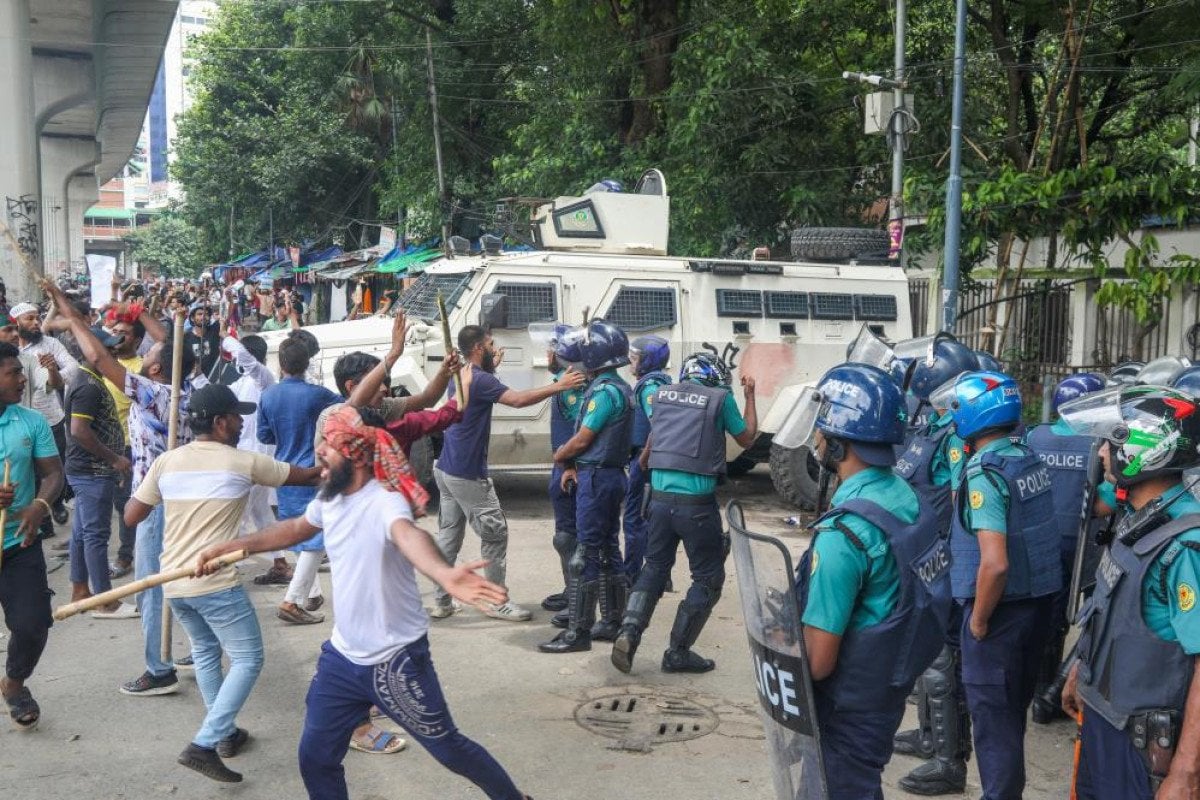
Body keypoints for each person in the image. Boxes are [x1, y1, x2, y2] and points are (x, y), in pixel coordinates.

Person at [194, 405, 533, 800]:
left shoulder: (383, 501)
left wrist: (443, 574)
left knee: (449, 748)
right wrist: (234, 545)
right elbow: (294, 529)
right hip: (342, 659)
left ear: (354, 453)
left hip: (396, 660)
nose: (319, 452)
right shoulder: (330, 498)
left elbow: (409, 536)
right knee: (315, 757)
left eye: (328, 446)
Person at [125, 383, 320, 783]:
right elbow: (305, 477)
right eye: (236, 415)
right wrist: (335, 464)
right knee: (249, 658)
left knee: (206, 652)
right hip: (214, 582)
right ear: (219, 422)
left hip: (175, 582)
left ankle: (225, 733)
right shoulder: (242, 463)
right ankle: (205, 742)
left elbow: (131, 515)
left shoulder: (167, 462)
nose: (242, 421)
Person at [792, 363, 951, 800]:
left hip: (848, 704)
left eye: (823, 430)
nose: (817, 439)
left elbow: (819, 662)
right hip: (888, 686)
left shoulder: (843, 536)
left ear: (840, 444)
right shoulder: (906, 497)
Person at [42, 280, 201, 697]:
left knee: (150, 587)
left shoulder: (153, 395)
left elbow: (95, 353)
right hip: (188, 503)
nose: (144, 351)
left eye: (148, 353)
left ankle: (159, 669)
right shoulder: (191, 394)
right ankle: (199, 651)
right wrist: (63, 303)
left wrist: (74, 318)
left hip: (157, 503)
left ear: (154, 368)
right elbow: (169, 341)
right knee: (188, 578)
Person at [1060, 385, 1200, 800]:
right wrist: (1081, 672)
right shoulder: (1138, 519)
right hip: (1107, 718)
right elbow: (1113, 608)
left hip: (1144, 745)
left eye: (1111, 441)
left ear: (1147, 449)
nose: (1102, 452)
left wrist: (1186, 774)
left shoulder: (1185, 547)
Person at [935, 370, 1062, 800]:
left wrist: (979, 622)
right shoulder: (1027, 457)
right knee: (1010, 714)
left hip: (1000, 614)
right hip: (1037, 608)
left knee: (994, 724)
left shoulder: (985, 473)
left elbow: (995, 563)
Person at [610, 350, 756, 673]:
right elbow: (747, 438)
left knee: (654, 568)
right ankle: (677, 651)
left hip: (659, 503)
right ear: (715, 376)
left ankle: (629, 633)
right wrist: (749, 396)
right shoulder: (720, 399)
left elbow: (646, 457)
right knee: (708, 577)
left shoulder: (661, 395)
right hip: (697, 508)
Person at [430, 324, 584, 622]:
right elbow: (517, 400)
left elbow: (483, 390)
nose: (494, 348)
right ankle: (498, 601)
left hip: (445, 468)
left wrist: (493, 368)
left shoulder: (460, 373)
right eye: (490, 344)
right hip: (467, 472)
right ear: (477, 349)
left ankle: (442, 601)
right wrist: (559, 385)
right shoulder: (481, 379)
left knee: (449, 537)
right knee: (495, 536)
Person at [890, 341, 978, 795]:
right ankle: (928, 735)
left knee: (943, 661)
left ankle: (949, 761)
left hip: (941, 558)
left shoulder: (956, 437)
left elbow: (963, 504)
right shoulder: (932, 425)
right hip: (920, 554)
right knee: (925, 654)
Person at [540, 321, 634, 653]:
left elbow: (583, 439)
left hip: (596, 478)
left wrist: (561, 456)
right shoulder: (620, 388)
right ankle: (611, 620)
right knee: (608, 549)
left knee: (585, 555)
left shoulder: (604, 393)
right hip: (607, 476)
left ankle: (577, 633)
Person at [1024, 372, 1107, 725]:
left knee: (1045, 612)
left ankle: (1040, 688)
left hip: (1040, 540)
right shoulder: (1099, 444)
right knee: (1085, 616)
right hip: (1084, 543)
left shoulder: (1036, 435)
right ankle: (1053, 694)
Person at [0, 341, 66, 731]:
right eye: (13, 373)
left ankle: (14, 684)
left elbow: (54, 474)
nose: (22, 379)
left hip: (18, 542)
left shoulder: (31, 421)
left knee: (33, 624)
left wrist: (39, 506)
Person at [257, 336, 341, 625]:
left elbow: (264, 436)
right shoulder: (319, 394)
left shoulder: (268, 396)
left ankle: (311, 593)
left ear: (281, 365)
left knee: (301, 534)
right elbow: (347, 408)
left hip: (285, 471)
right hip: (314, 471)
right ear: (307, 364)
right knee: (316, 538)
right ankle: (292, 600)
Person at [64, 325, 135, 618]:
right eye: (108, 350)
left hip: (88, 469)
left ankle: (81, 590)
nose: (114, 355)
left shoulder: (91, 380)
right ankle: (106, 601)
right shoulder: (89, 387)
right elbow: (79, 431)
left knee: (82, 533)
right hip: (92, 471)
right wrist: (114, 458)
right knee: (95, 534)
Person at [12, 301, 76, 531]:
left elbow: (73, 368)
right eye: (29, 319)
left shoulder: (50, 344)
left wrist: (53, 373)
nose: (36, 323)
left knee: (54, 466)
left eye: (38, 318)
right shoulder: (10, 351)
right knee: (30, 470)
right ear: (16, 323)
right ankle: (43, 520)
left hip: (50, 418)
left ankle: (57, 503)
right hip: (17, 421)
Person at [542, 325, 587, 616]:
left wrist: (569, 464)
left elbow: (579, 431)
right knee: (565, 535)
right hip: (563, 464)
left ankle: (578, 599)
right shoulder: (565, 380)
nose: (547, 353)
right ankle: (572, 590)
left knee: (570, 536)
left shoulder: (572, 386)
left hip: (571, 467)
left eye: (552, 349)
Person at [623, 335, 672, 581]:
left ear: (647, 361)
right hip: (650, 459)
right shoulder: (659, 383)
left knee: (635, 519)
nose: (630, 362)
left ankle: (632, 575)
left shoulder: (650, 387)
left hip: (645, 460)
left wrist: (643, 459)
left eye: (634, 358)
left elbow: (660, 425)